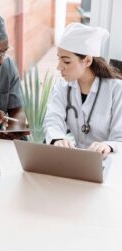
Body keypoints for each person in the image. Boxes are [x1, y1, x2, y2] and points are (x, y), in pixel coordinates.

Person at [43, 22, 122, 158]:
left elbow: (120, 138)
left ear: (87, 61)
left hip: (107, 161)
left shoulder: (116, 90)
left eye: (66, 62)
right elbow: (53, 119)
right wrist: (57, 139)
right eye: (59, 59)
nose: (59, 67)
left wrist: (108, 145)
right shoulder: (62, 86)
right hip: (76, 160)